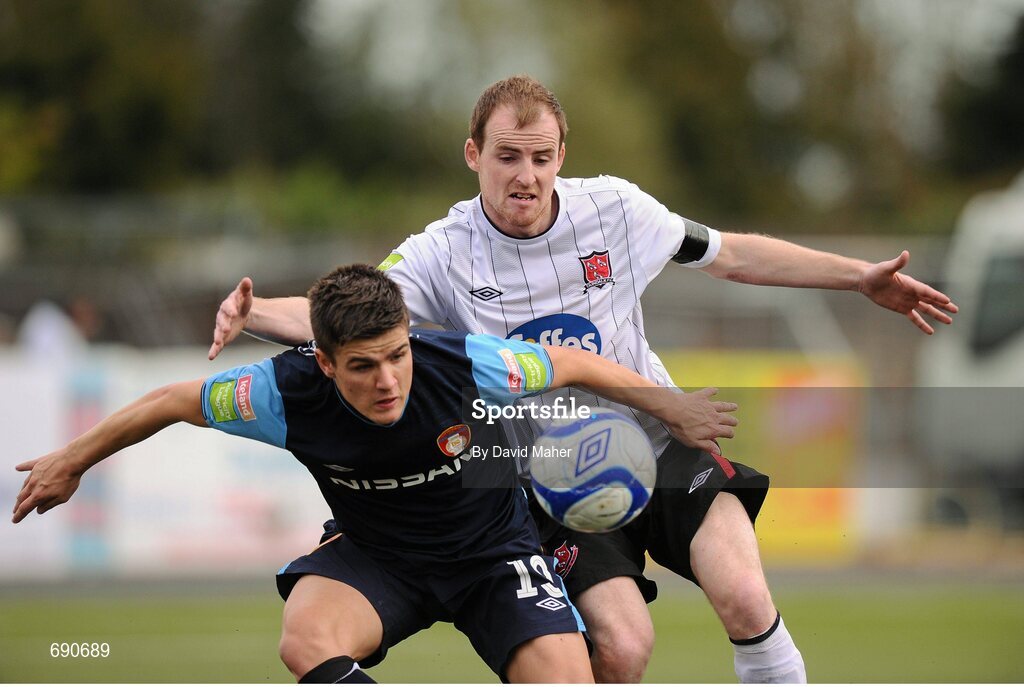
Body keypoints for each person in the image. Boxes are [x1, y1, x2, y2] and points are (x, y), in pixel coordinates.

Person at [206, 76, 959, 683]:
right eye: (507, 156)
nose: (525, 176)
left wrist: (857, 277)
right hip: (554, 478)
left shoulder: (618, 211)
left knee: (743, 593)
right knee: (623, 649)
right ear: (472, 154)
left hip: (659, 434)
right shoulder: (443, 251)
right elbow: (346, 315)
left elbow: (731, 253)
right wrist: (254, 312)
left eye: (541, 156)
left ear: (564, 153)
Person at [12, 264, 739, 683]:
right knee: (305, 637)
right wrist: (71, 459)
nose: (388, 379)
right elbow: (173, 399)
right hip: (378, 555)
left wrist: (667, 404)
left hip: (493, 553)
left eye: (397, 354)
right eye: (362, 365)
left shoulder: (463, 362)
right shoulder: (278, 391)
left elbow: (576, 361)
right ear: (324, 362)